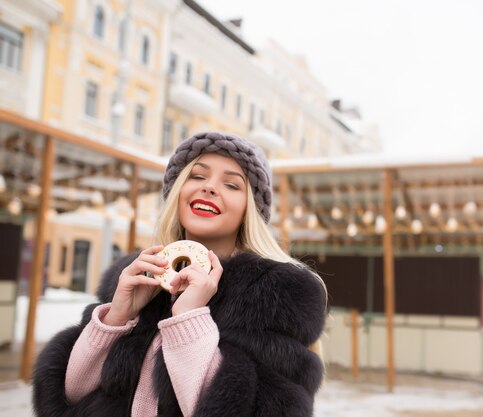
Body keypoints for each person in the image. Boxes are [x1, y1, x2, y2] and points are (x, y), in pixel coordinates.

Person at [32, 132, 327, 417]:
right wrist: (116, 318)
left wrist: (189, 320)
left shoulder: (275, 297)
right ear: (178, 193)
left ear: (249, 210)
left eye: (232, 185)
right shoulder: (138, 277)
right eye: (197, 176)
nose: (209, 187)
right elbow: (70, 397)